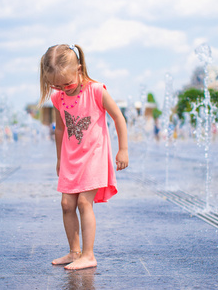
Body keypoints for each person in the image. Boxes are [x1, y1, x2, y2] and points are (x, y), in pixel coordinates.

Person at [39, 44, 129, 270]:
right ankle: (74, 252)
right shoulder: (59, 98)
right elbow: (60, 129)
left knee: (83, 202)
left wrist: (123, 149)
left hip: (94, 156)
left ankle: (88, 255)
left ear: (79, 69)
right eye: (56, 85)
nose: (63, 89)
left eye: (67, 84)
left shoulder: (96, 90)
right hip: (71, 159)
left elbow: (118, 118)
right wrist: (59, 158)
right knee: (66, 204)